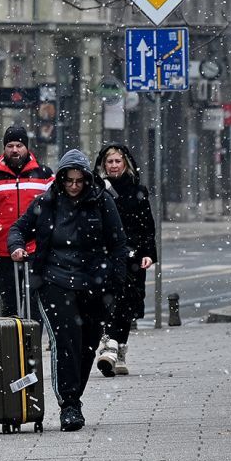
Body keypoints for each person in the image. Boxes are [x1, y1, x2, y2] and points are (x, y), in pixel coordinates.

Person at [8, 149, 128, 432]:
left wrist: (116, 281)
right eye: (69, 180)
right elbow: (18, 229)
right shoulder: (46, 203)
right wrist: (17, 246)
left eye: (79, 181)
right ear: (60, 179)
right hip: (54, 282)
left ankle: (76, 395)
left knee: (87, 344)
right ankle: (69, 403)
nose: (74, 186)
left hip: (93, 283)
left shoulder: (102, 203)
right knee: (67, 340)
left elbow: (118, 244)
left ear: (87, 179)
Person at [0, 126, 54, 319]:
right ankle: (12, 346)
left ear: (26, 147)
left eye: (19, 145)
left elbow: (57, 211)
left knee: (35, 303)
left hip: (37, 250)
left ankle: (32, 347)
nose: (15, 150)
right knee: (10, 305)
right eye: (10, 145)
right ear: (4, 148)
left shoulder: (44, 175)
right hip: (4, 251)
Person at [93, 144, 157, 376]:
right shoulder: (97, 190)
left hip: (133, 255)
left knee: (127, 302)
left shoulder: (137, 190)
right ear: (103, 165)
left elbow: (147, 226)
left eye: (118, 161)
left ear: (126, 164)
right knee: (107, 300)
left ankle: (118, 349)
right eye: (109, 162)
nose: (113, 166)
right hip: (105, 254)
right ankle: (108, 346)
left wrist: (148, 253)